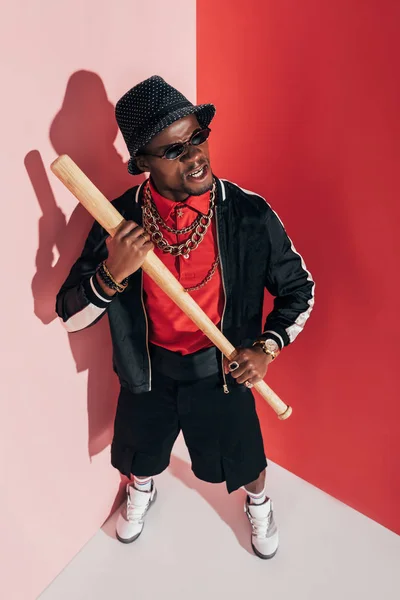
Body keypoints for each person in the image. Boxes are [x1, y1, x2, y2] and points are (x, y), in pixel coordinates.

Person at [56, 75, 315, 559]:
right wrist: (112, 273)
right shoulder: (119, 222)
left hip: (221, 370)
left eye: (197, 137)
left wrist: (266, 346)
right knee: (140, 454)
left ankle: (258, 503)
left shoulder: (248, 214)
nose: (195, 155)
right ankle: (143, 490)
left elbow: (300, 289)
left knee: (246, 461)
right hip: (148, 371)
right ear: (144, 164)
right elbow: (69, 316)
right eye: (173, 150)